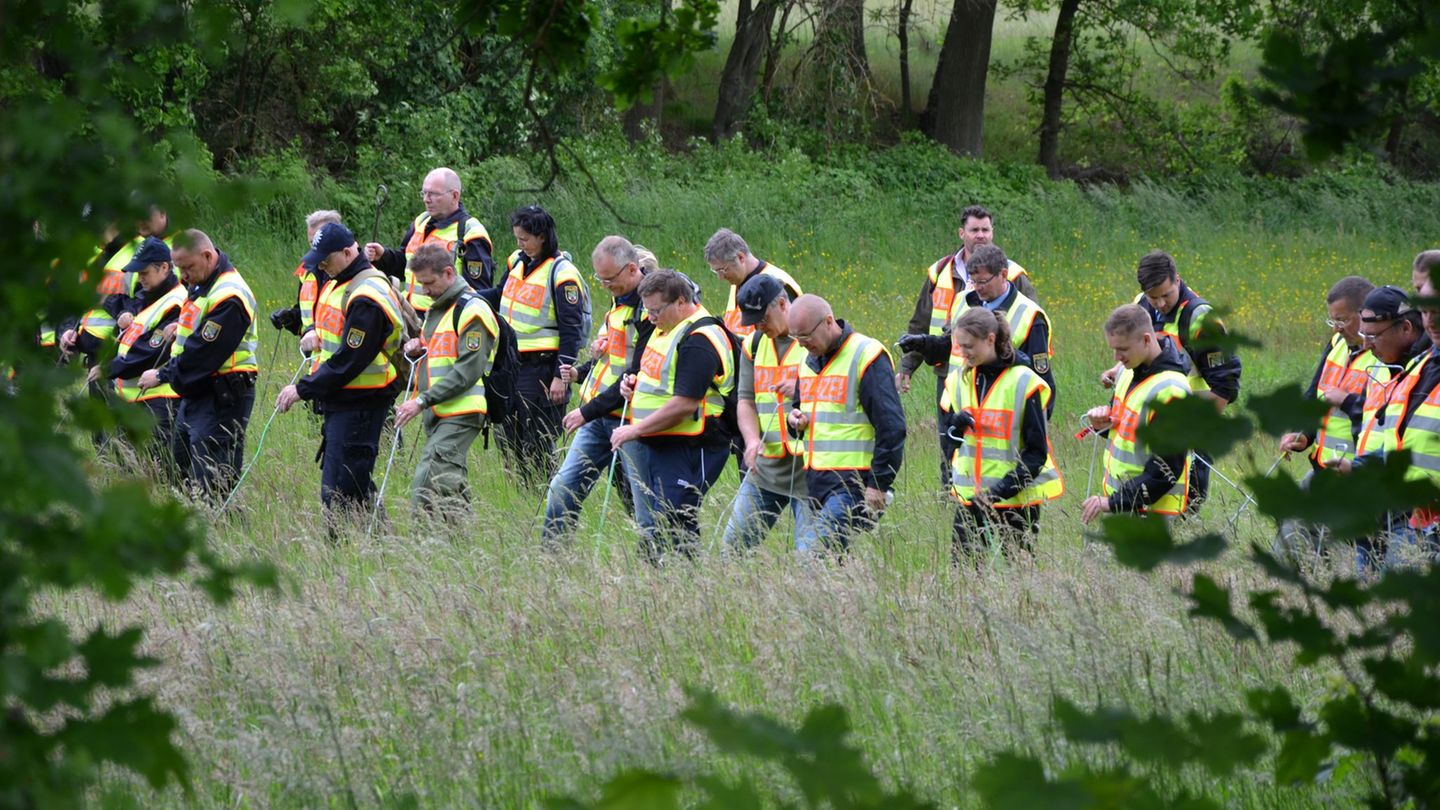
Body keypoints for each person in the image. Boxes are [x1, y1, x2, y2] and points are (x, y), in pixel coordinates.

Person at [898, 205, 1036, 487]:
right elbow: (924, 323)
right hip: (952, 374)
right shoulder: (941, 273)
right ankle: (953, 492)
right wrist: (911, 360)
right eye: (975, 230)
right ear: (962, 233)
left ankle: (995, 493)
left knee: (994, 440)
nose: (981, 235)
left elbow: (1034, 330)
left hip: (1003, 381)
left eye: (986, 229)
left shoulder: (1016, 276)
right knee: (950, 437)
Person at [276, 223, 403, 526]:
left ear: (348, 252)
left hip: (361, 402)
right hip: (342, 400)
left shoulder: (366, 294)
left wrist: (303, 389)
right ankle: (381, 544)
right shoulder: (339, 279)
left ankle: (340, 551)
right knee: (354, 485)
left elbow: (350, 359)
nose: (321, 265)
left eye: (325, 259)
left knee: (339, 491)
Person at [611, 270, 736, 559]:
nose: (650, 318)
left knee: (677, 514)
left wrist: (634, 430)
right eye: (647, 310)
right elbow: (658, 378)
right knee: (662, 517)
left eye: (656, 311)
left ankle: (687, 581)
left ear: (681, 301)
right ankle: (660, 578)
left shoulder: (699, 340)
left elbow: (684, 403)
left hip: (695, 443)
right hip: (664, 441)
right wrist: (634, 387)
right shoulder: (664, 327)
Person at [1102, 250, 1241, 512]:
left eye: (1166, 295)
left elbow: (1226, 388)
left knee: (1184, 506)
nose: (1160, 303)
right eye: (1153, 297)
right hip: (1150, 424)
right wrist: (1117, 368)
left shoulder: (1202, 319)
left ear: (1178, 280)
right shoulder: (1141, 305)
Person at [542, 236, 656, 545]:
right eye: (600, 278)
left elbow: (634, 375)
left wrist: (584, 412)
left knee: (645, 509)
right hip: (597, 418)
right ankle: (551, 560)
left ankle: (658, 568)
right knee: (561, 491)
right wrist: (581, 371)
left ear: (632, 269)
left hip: (632, 422)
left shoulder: (652, 310)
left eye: (609, 279)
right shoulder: (619, 298)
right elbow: (613, 358)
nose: (604, 285)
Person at [137, 229, 259, 501]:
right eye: (178, 268)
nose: (182, 276)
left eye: (187, 267)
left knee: (213, 481)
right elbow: (194, 332)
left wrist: (162, 373)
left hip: (222, 394)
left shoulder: (230, 295)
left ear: (207, 255)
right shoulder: (201, 282)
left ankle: (223, 534)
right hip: (195, 392)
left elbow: (203, 352)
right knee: (178, 465)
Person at [785, 294, 906, 552]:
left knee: (811, 554)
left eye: (806, 338)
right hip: (815, 482)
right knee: (831, 564)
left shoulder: (867, 355)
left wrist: (878, 484)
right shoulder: (807, 360)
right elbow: (799, 409)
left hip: (854, 484)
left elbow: (892, 426)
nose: (803, 345)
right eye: (797, 340)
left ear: (828, 321)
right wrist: (794, 419)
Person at [942, 308, 1062, 560]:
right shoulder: (958, 379)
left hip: (1017, 501)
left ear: (990, 339)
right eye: (960, 346)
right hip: (970, 500)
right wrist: (956, 422)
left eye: (969, 346)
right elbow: (949, 435)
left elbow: (1036, 453)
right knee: (964, 576)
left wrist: (996, 493)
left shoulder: (1023, 381)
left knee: (1017, 580)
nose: (963, 353)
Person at [393, 242, 498, 520]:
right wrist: (418, 346)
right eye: (421, 284)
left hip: (461, 411)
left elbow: (468, 370)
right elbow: (441, 353)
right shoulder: (440, 308)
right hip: (439, 411)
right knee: (449, 483)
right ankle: (462, 546)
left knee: (426, 482)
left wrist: (422, 400)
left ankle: (423, 542)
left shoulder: (473, 310)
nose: (424, 291)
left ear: (449, 273)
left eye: (429, 283)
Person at [1335, 285, 1433, 570]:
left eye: (1373, 336)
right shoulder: (1380, 365)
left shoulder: (1426, 371)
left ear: (1405, 328)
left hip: (1412, 510)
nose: (1366, 345)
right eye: (1364, 336)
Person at [902, 244, 1056, 415]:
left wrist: (1035, 425)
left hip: (1002, 416)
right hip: (958, 409)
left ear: (1003, 275)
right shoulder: (963, 300)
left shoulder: (1030, 316)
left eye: (982, 281)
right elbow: (951, 347)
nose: (977, 287)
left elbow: (1040, 378)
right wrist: (923, 343)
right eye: (973, 281)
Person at [497, 204, 589, 486]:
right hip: (511, 366)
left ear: (542, 237)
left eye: (525, 239)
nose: (520, 244)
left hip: (541, 367)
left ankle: (542, 495)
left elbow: (571, 329)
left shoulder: (562, 273)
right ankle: (521, 496)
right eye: (517, 238)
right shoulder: (517, 261)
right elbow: (497, 294)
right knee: (508, 439)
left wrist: (560, 376)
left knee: (536, 443)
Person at [722, 273, 814, 550]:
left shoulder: (815, 336)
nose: (760, 327)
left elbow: (840, 389)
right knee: (731, 550)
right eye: (754, 322)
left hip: (811, 471)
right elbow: (746, 400)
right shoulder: (753, 344)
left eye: (764, 319)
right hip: (766, 469)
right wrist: (751, 441)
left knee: (813, 562)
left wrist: (801, 388)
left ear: (783, 304)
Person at [1081, 304, 1192, 524]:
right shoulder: (1126, 370)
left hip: (1152, 513)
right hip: (1122, 505)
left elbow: (1165, 470)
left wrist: (1111, 503)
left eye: (1122, 349)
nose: (1116, 357)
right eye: (1113, 349)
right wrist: (1099, 424)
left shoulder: (1172, 391)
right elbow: (1121, 430)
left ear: (1146, 340)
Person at [107, 236, 190, 480]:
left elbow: (149, 352)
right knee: (134, 473)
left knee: (161, 473)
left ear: (165, 267)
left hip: (160, 400)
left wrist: (108, 369)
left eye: (144, 273)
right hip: (135, 398)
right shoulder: (148, 297)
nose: (140, 279)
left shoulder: (176, 301)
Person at [1280, 276, 1384, 469]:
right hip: (1324, 468)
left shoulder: (1386, 356)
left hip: (1359, 472)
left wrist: (1346, 400)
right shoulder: (1337, 343)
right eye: (1333, 321)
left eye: (1342, 320)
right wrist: (1303, 434)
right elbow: (1314, 394)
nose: (1336, 328)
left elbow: (1386, 416)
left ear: (1365, 315)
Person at [364, 167, 494, 314]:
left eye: (433, 194)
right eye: (424, 193)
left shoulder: (470, 232)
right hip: (409, 316)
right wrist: (383, 256)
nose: (426, 199)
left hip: (442, 321)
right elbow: (407, 267)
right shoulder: (421, 221)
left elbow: (478, 293)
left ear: (454, 196)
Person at [703, 228, 801, 338]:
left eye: (722, 270)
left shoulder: (777, 284)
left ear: (740, 257)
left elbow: (794, 335)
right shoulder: (737, 282)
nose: (720, 277)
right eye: (716, 271)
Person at [270, 210, 343, 349]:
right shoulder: (306, 270)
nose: (315, 247)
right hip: (314, 359)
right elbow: (306, 316)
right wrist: (289, 318)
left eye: (318, 240)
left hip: (339, 359)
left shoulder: (347, 272)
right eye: (311, 242)